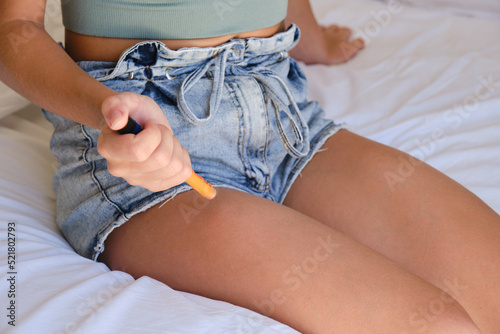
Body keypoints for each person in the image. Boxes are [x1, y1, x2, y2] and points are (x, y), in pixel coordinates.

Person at [0, 0, 498, 333]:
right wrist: (109, 114)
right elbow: (12, 31)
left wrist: (313, 37)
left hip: (281, 112)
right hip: (145, 143)